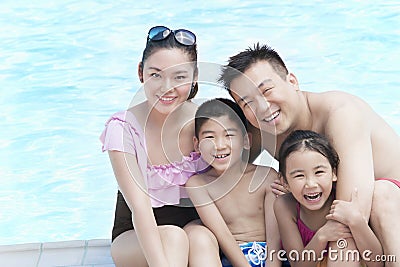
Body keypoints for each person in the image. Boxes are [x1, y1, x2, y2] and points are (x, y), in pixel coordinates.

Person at [218, 43, 400, 264]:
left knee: (379, 196)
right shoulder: (262, 129)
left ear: (292, 81)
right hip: (341, 228)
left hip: (383, 214)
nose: (262, 107)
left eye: (266, 91)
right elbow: (223, 169)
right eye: (247, 102)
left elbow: (351, 213)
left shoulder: (341, 114)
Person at [100, 26, 221, 267]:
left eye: (179, 77)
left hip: (191, 225)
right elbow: (141, 210)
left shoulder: (207, 121)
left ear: (195, 76)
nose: (167, 87)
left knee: (200, 237)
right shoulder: (123, 128)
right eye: (156, 75)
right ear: (140, 72)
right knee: (173, 238)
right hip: (134, 237)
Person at [185, 98, 281, 267]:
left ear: (246, 141)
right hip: (231, 259)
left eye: (229, 135)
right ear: (197, 145)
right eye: (209, 137)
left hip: (273, 258)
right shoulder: (198, 185)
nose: (220, 145)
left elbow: (275, 236)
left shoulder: (266, 176)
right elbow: (222, 235)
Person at [274, 130, 383, 266]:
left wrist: (356, 221)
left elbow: (377, 263)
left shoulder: (343, 200)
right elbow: (297, 264)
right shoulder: (285, 205)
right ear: (284, 181)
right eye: (299, 176)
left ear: (334, 173)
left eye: (319, 172)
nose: (311, 184)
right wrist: (322, 236)